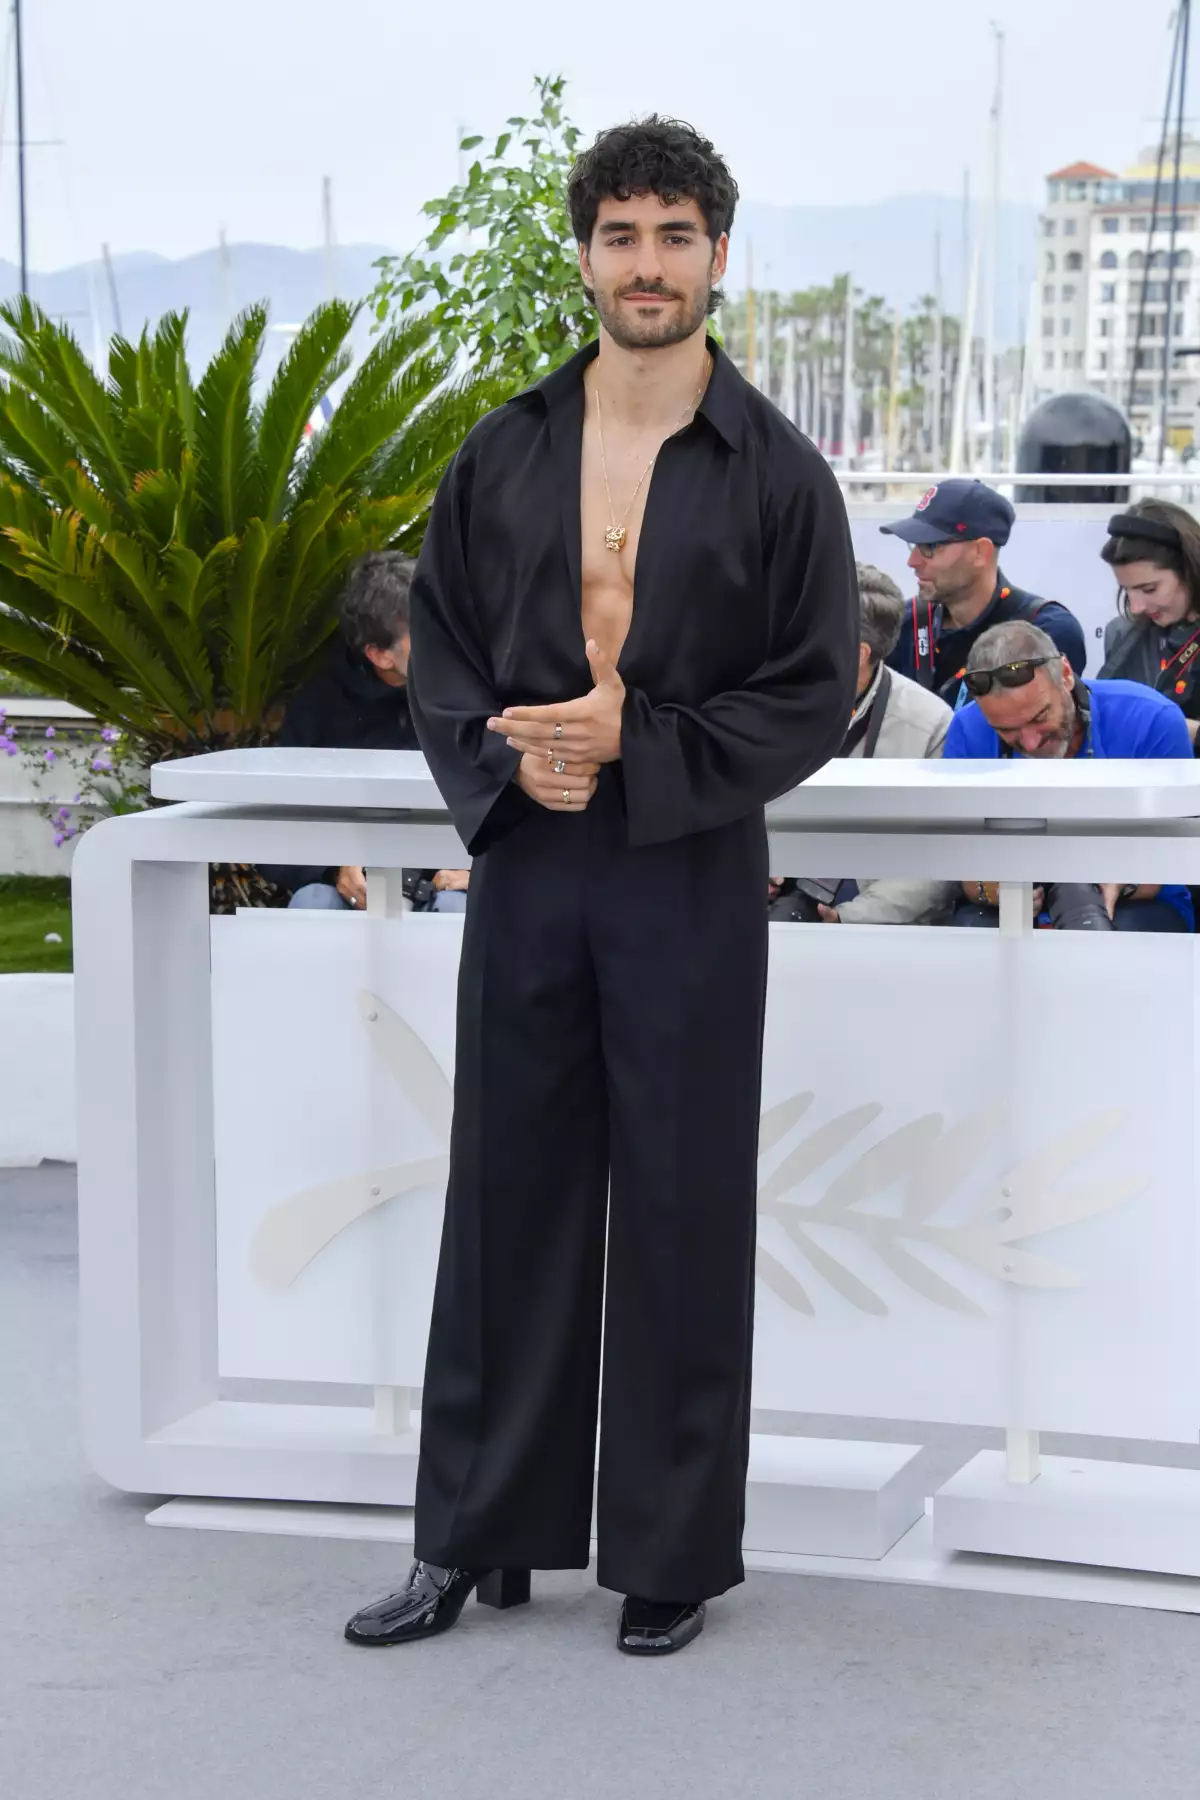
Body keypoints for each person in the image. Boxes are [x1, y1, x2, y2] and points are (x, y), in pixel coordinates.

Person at [343, 115, 858, 1659]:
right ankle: (473, 1537)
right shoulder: (502, 451)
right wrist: (516, 769)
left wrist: (643, 741)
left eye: (674, 236)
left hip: (686, 864)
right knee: (506, 1192)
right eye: (621, 235)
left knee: (685, 1198)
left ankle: (669, 1552)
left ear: (718, 254)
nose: (647, 264)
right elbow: (443, 651)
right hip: (531, 858)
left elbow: (812, 687)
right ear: (584, 255)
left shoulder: (780, 473)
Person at [943, 620, 1193, 933]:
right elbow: (959, 861)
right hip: (1007, 906)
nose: (1030, 743)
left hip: (1138, 904)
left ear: (1065, 675)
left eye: (1039, 717)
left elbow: (1177, 852)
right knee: (975, 939)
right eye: (1005, 731)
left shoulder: (1151, 719)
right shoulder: (968, 729)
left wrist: (1126, 879)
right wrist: (990, 889)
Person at [259, 551, 469, 913]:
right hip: (349, 893)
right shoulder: (318, 708)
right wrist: (333, 870)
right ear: (380, 655)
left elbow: (516, 803)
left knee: (457, 910)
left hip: (448, 882)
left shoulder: (474, 696)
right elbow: (273, 831)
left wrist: (479, 871)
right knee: (313, 905)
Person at [769, 563, 954, 926]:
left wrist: (848, 918)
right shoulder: (758, 697)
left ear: (858, 653)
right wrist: (748, 866)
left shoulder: (930, 723)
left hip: (862, 908)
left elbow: (939, 863)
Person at [883, 479, 1086, 710]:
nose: (912, 561)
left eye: (929, 547)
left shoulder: (1048, 631)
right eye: (914, 545)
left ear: (980, 552)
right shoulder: (903, 624)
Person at [1098, 498, 1200, 748]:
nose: (1136, 607)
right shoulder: (1122, 634)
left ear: (1189, 569)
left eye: (1149, 589)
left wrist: (1179, 730)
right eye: (1127, 590)